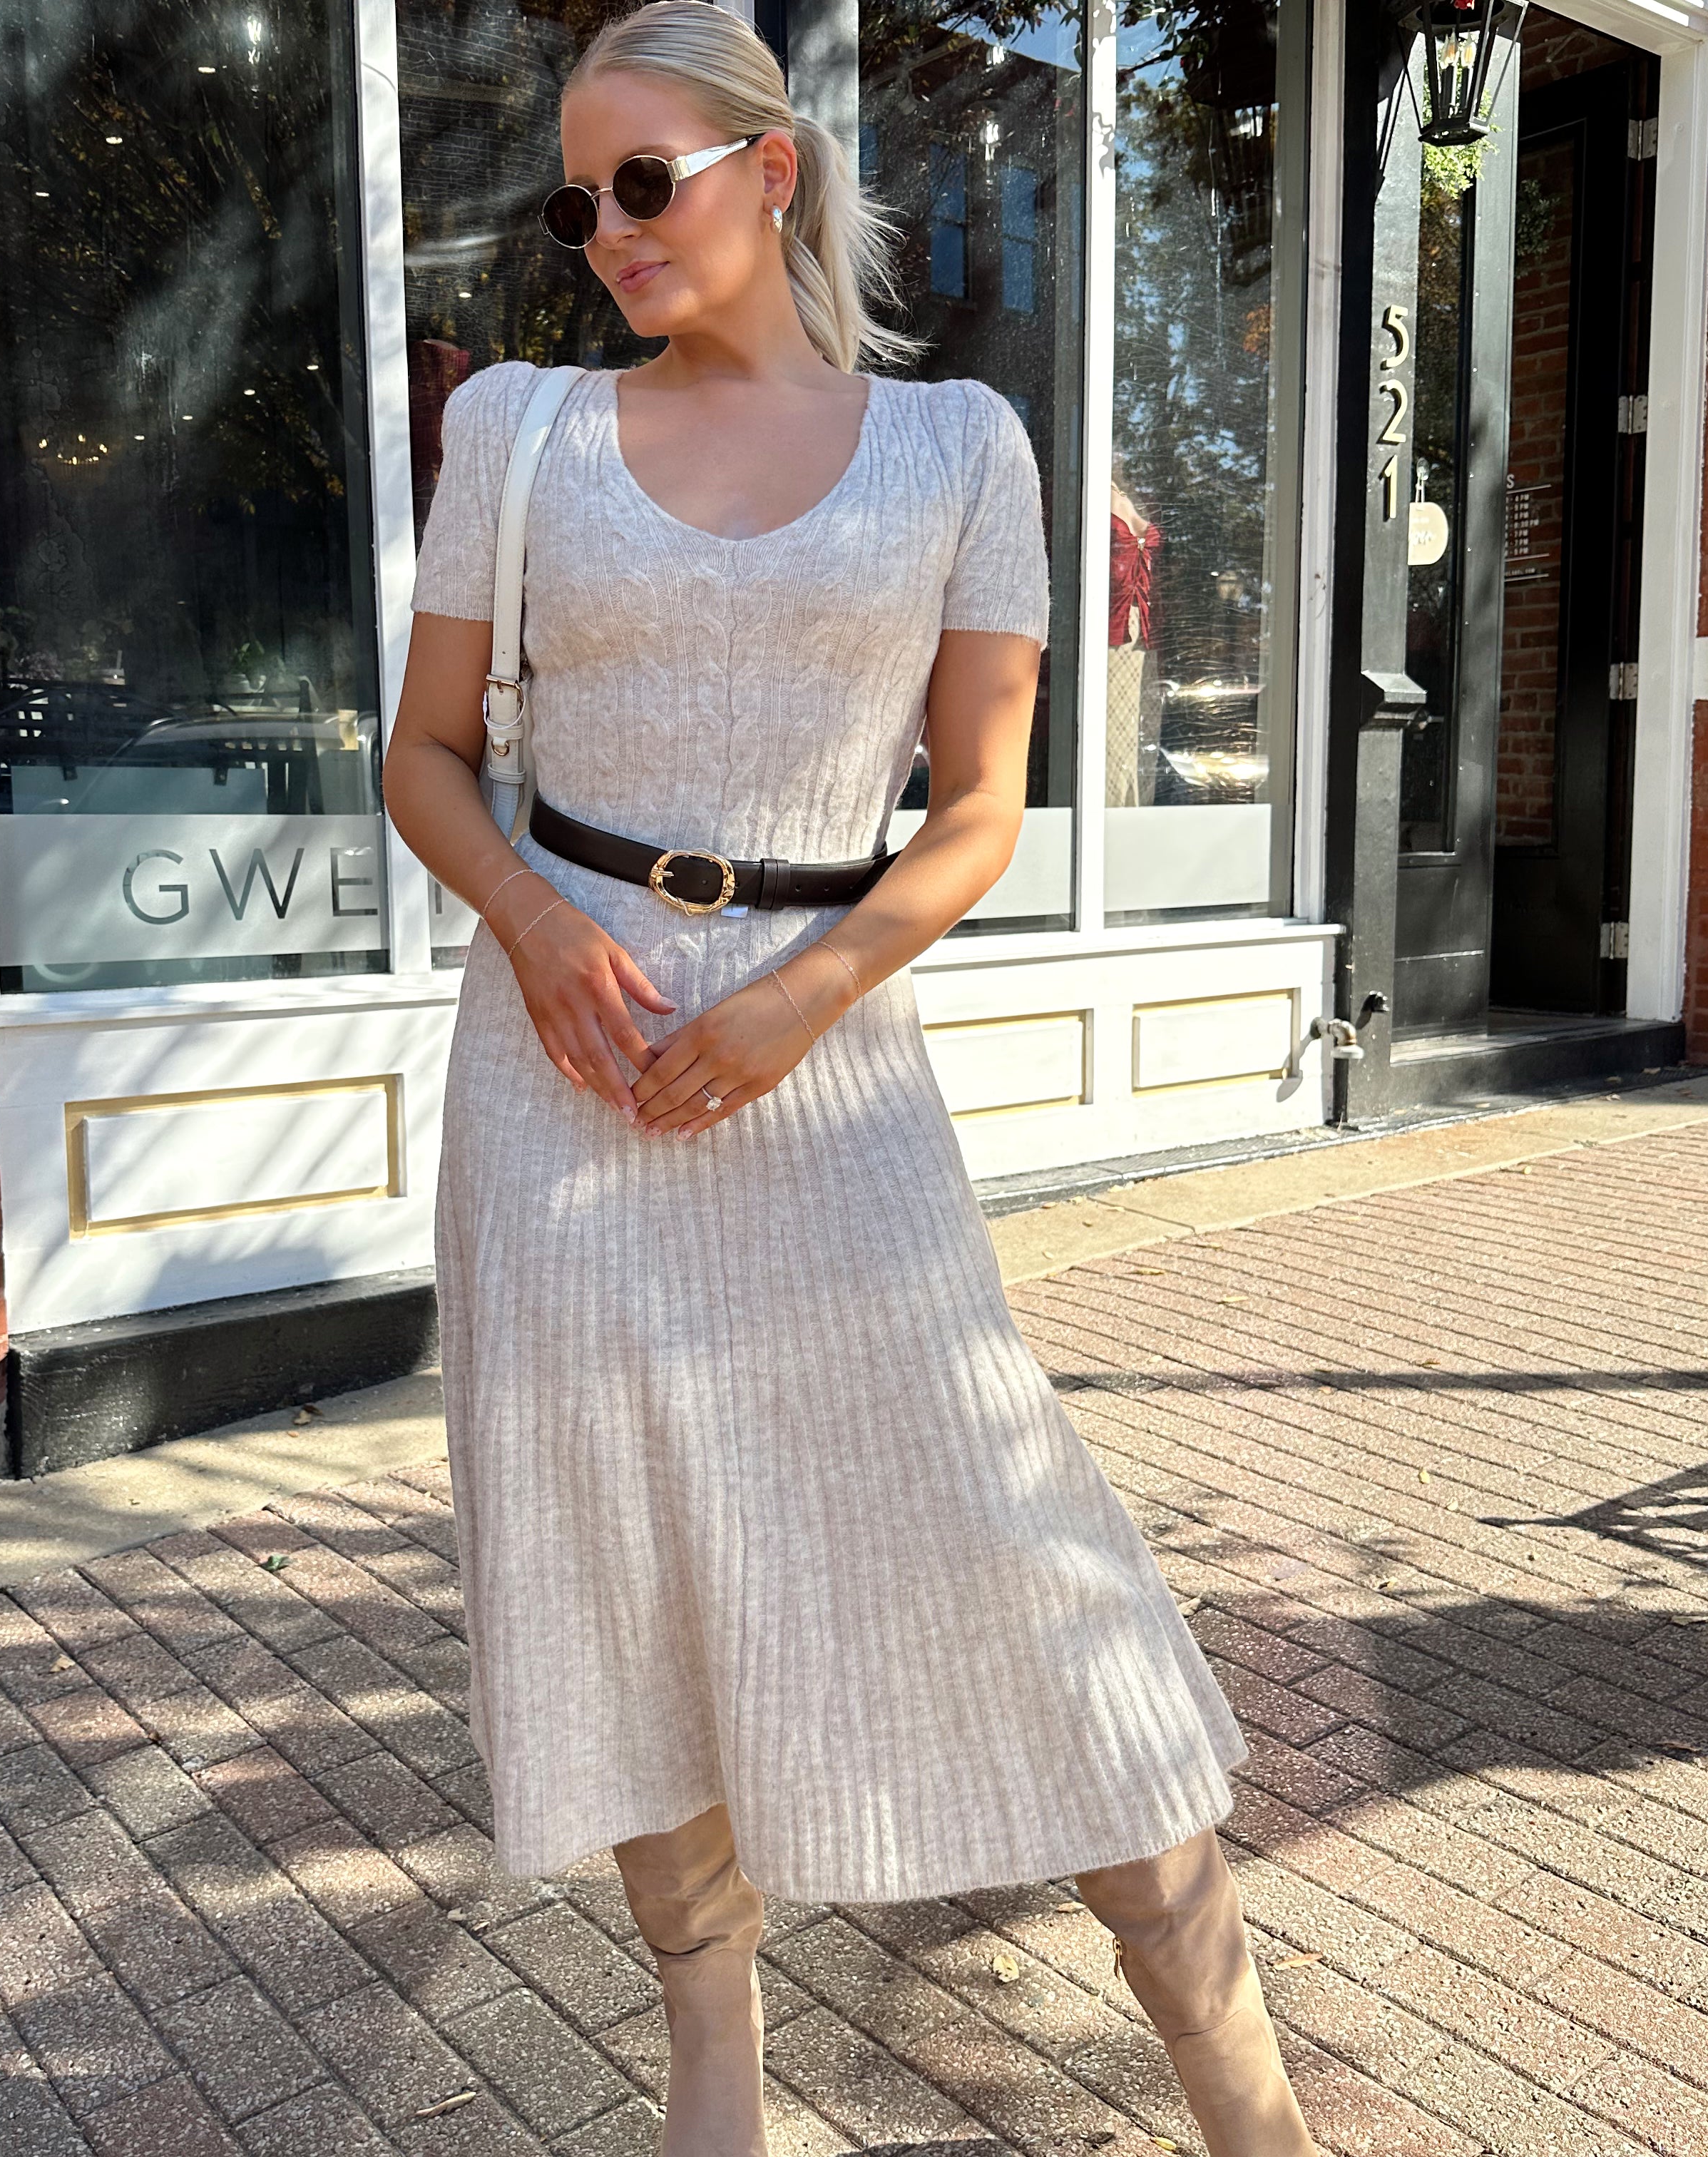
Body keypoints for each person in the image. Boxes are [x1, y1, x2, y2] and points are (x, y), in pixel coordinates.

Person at [384, 8, 1321, 2153]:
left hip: (828, 1063)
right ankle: (715, 2069)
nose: (610, 230)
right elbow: (427, 758)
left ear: (774, 167)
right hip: (568, 1076)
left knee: (1011, 1549)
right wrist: (533, 927)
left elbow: (980, 810)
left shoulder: (960, 449)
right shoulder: (516, 427)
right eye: (578, 200)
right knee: (620, 1562)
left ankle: (1245, 2099)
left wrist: (807, 996)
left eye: (649, 181)